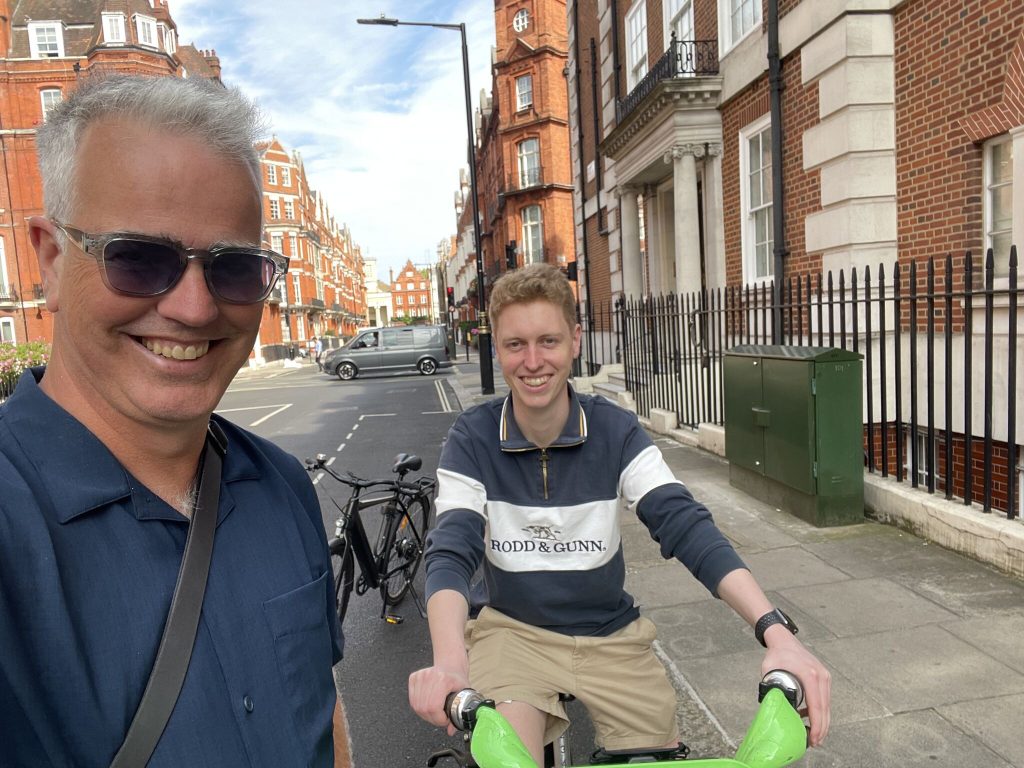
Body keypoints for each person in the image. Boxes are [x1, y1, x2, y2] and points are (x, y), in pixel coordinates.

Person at [0, 75, 352, 767]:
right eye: (138, 258)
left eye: (235, 267)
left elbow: (323, 708)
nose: (194, 308)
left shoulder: (282, 483)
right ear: (51, 258)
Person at [409, 263, 830, 764]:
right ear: (496, 349)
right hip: (513, 634)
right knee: (507, 756)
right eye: (515, 344)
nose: (533, 361)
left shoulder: (615, 429)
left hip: (610, 635)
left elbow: (683, 523)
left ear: (575, 341)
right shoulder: (473, 436)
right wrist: (451, 662)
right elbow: (451, 550)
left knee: (655, 758)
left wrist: (776, 631)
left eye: (549, 341)